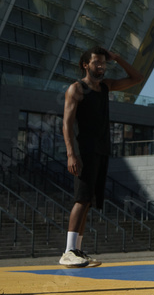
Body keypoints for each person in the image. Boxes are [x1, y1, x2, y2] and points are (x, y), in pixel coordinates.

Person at [59, 46, 143, 268]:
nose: (101, 66)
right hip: (83, 152)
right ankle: (68, 251)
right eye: (96, 62)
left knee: (87, 202)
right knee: (80, 199)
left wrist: (118, 57)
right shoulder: (76, 89)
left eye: (104, 63)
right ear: (85, 64)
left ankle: (77, 250)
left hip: (101, 150)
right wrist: (71, 154)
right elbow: (66, 124)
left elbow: (137, 77)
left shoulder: (106, 86)